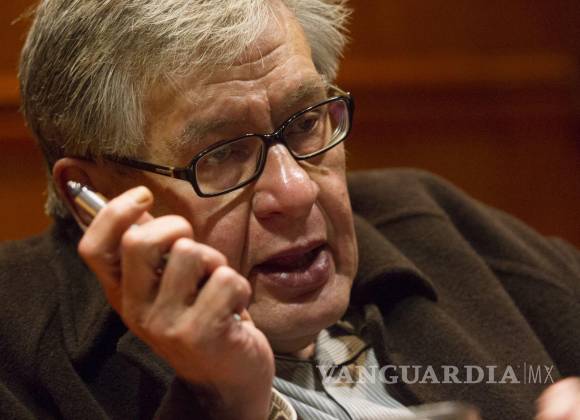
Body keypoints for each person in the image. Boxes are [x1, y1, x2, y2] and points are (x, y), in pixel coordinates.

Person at [1, 0, 579, 419]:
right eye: (221, 154)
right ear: (94, 194)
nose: (296, 191)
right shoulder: (18, 350)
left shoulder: (429, 217)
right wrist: (226, 402)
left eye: (305, 124)